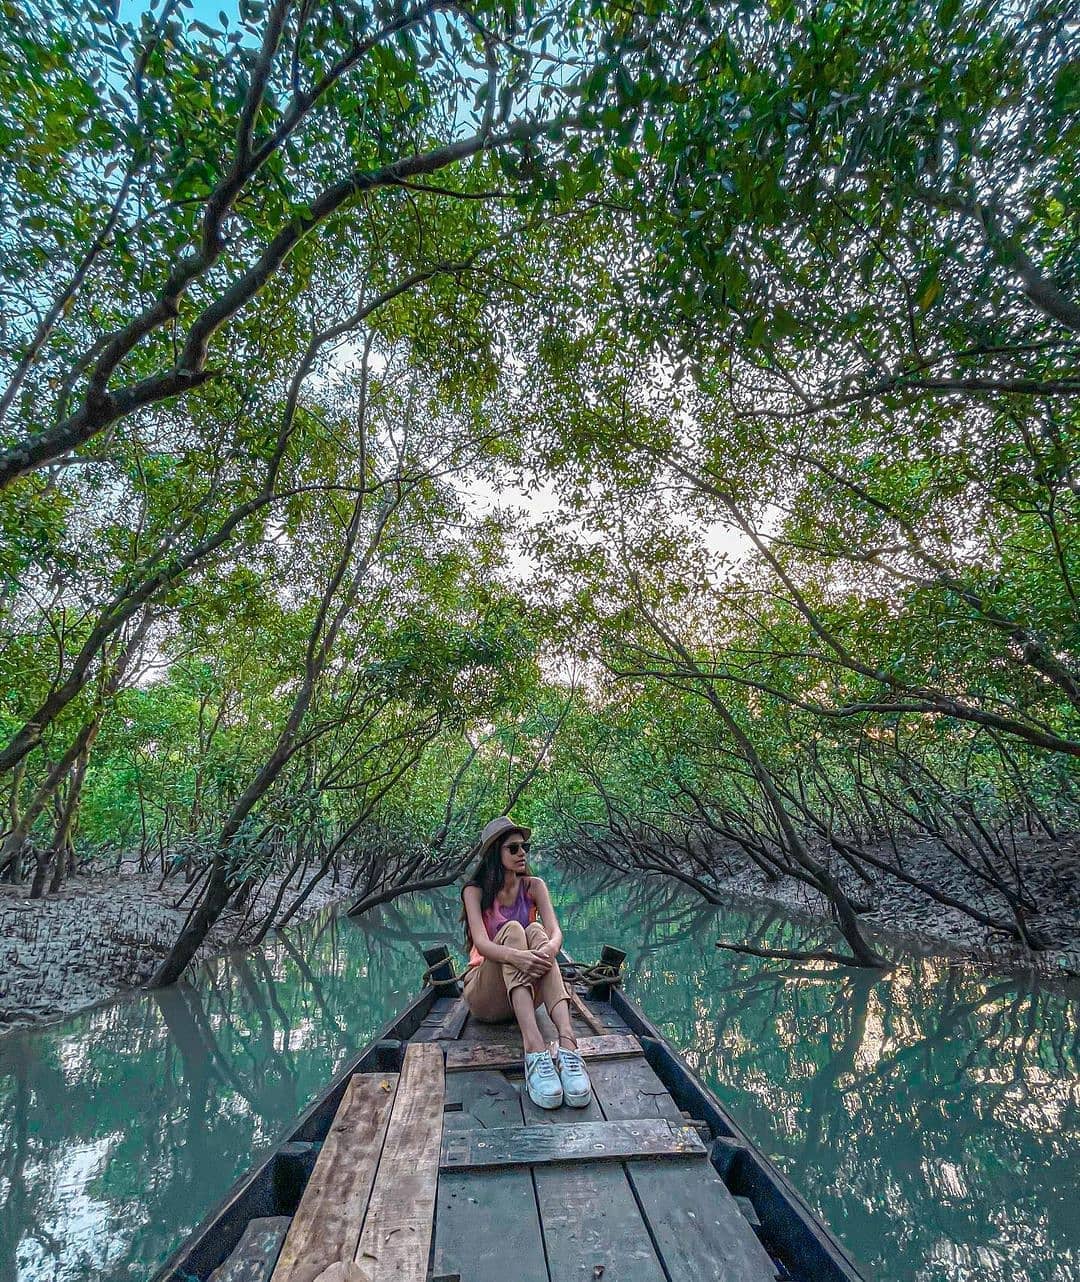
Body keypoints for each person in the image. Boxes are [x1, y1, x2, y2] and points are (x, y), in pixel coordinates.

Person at [460, 816, 592, 1110]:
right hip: (487, 997)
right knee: (514, 930)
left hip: (526, 996)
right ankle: (534, 1049)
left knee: (538, 932)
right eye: (514, 848)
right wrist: (517, 956)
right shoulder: (474, 891)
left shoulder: (534, 886)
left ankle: (568, 1045)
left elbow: (556, 933)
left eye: (525, 847)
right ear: (495, 853)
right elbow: (482, 943)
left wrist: (548, 950)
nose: (522, 853)